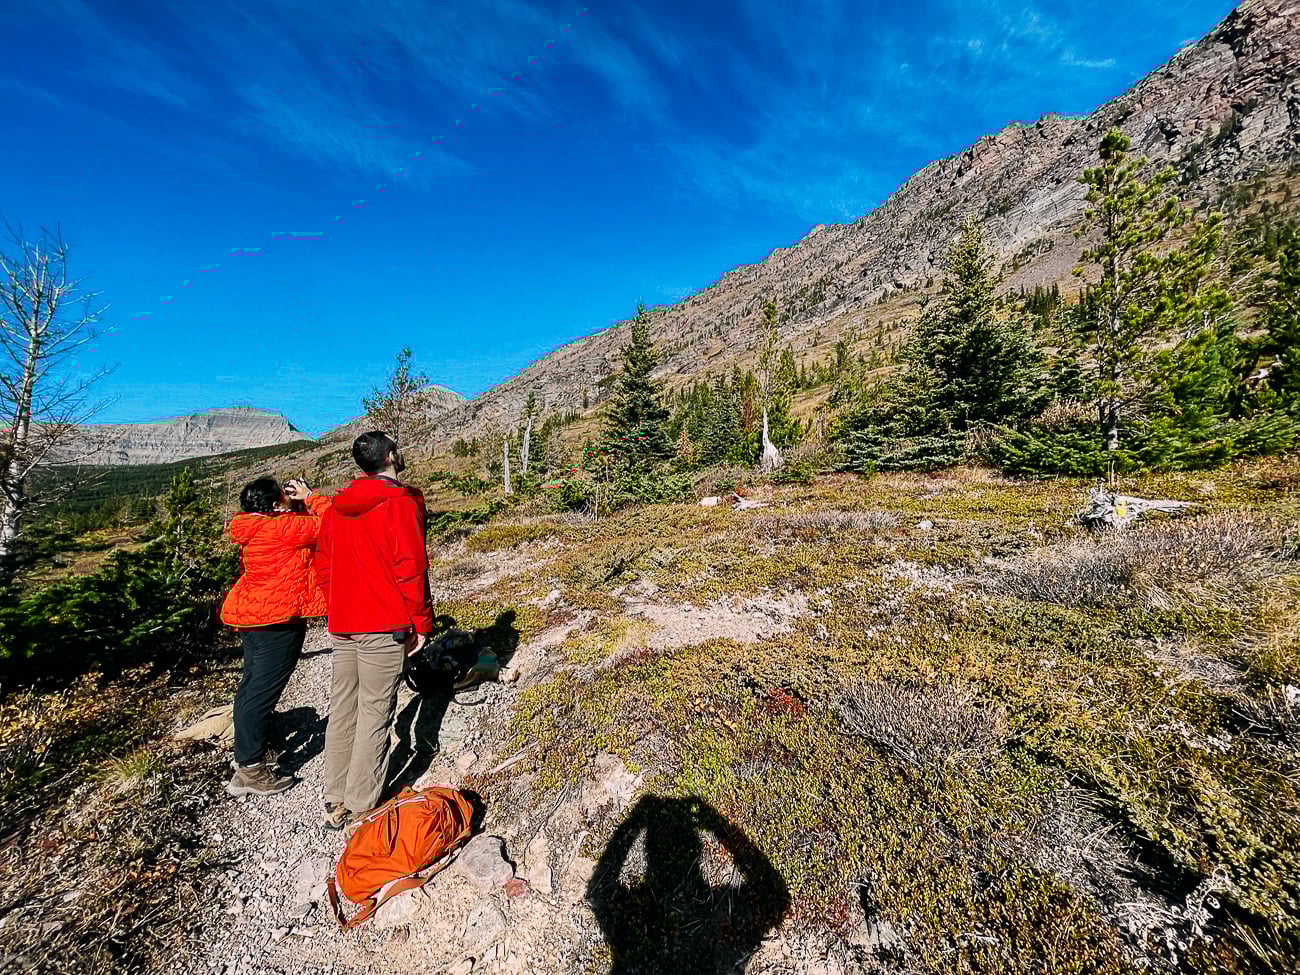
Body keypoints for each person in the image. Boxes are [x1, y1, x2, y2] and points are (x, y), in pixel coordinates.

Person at [315, 431, 433, 829]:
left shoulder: (335, 508)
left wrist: (339, 608)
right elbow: (410, 568)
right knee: (375, 711)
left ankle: (334, 795)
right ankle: (361, 803)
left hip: (344, 622)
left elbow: (325, 568)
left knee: (343, 705)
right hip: (383, 623)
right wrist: (421, 623)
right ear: (392, 456)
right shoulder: (401, 503)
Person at [221, 476, 331, 797]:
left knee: (251, 687)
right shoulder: (280, 528)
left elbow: (297, 529)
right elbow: (332, 523)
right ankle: (251, 769)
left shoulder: (253, 527)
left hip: (252, 616)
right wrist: (311, 496)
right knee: (261, 693)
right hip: (277, 620)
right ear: (273, 505)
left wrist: (293, 506)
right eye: (283, 496)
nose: (288, 498)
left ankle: (246, 754)